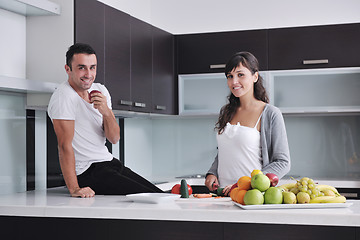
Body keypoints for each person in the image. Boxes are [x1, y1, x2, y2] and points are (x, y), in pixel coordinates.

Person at [48, 43, 162, 197]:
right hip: (87, 171)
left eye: (92, 67)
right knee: (152, 200)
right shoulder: (64, 97)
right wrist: (74, 189)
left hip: (109, 163)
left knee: (160, 195)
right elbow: (64, 146)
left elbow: (114, 138)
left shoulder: (101, 90)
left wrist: (106, 112)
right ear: (68, 69)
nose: (88, 74)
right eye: (81, 67)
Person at [205, 52, 291, 195]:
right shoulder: (226, 111)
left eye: (240, 75)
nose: (234, 82)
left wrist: (248, 184)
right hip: (222, 194)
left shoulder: (270, 113)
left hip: (253, 196)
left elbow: (282, 162)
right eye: (230, 76)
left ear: (255, 77)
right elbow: (225, 151)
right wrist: (212, 173)